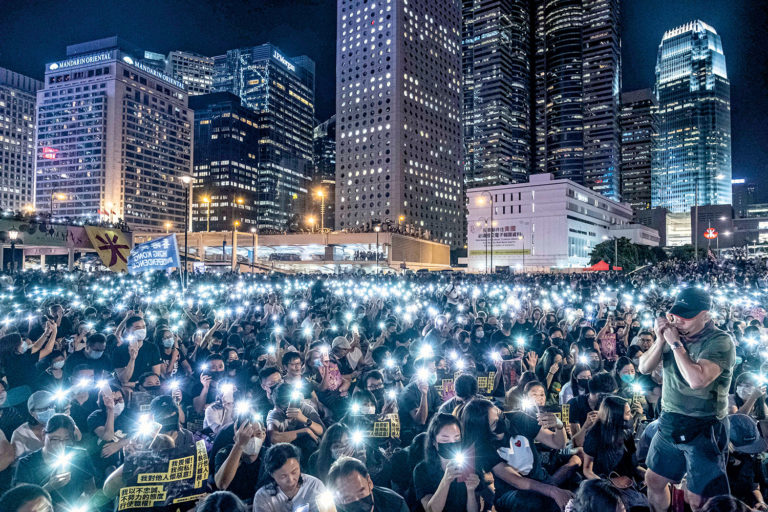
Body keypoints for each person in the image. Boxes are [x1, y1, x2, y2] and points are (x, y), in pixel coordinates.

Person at [639, 287, 736, 512]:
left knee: (699, 499)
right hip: (670, 420)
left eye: (687, 317)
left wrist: (675, 344)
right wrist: (660, 340)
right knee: (653, 480)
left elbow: (697, 380)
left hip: (704, 425)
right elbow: (644, 367)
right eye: (676, 315)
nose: (678, 321)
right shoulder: (672, 334)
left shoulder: (720, 341)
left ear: (706, 316)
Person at [461, 398, 571, 512]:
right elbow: (516, 480)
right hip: (510, 494)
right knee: (531, 502)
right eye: (494, 423)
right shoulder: (483, 447)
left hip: (542, 481)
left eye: (499, 413)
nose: (501, 420)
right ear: (483, 431)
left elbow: (558, 443)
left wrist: (559, 425)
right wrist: (552, 491)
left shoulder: (518, 419)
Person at [12, 414, 95, 508]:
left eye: (66, 440)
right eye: (54, 439)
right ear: (43, 434)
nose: (60, 445)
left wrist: (82, 502)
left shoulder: (80, 455)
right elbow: (21, 502)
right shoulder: (26, 463)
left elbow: (90, 488)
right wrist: (49, 486)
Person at [413, 413, 480, 512]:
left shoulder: (469, 464)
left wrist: (471, 491)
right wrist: (446, 480)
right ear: (434, 442)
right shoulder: (422, 470)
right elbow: (431, 510)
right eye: (445, 439)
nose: (452, 443)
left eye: (457, 438)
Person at [252, 443, 327, 512]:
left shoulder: (314, 486)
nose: (291, 480)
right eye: (283, 476)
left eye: (294, 472)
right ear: (271, 474)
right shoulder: (263, 497)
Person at [214, 415, 266, 502]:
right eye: (248, 435)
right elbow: (222, 484)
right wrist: (239, 445)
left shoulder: (268, 455)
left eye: (258, 434)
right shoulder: (225, 453)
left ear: (264, 435)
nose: (253, 439)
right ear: (236, 436)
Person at [328, 456, 409, 512]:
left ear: (369, 482)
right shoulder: (332, 509)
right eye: (348, 498)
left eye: (361, 493)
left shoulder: (395, 505)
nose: (357, 501)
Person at [11, 391, 55, 460]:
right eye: (42, 409)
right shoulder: (21, 434)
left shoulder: (61, 422)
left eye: (50, 407)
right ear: (32, 412)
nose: (48, 411)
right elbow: (17, 463)